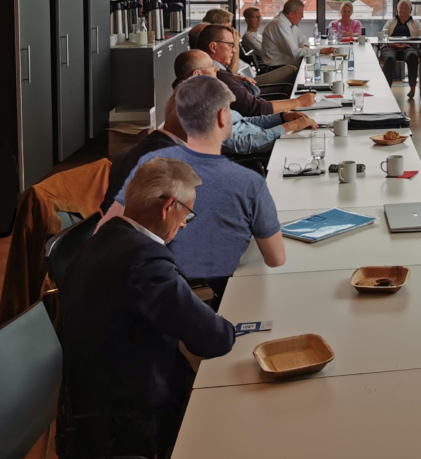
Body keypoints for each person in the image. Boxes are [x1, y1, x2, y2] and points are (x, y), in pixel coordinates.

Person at [61, 157, 235, 457]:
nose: (184, 224)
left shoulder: (106, 236)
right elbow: (214, 338)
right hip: (131, 419)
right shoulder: (143, 260)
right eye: (188, 215)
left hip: (94, 398)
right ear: (168, 207)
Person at [106, 76, 287, 283]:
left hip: (119, 270)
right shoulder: (195, 173)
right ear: (221, 117)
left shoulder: (127, 155)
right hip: (172, 277)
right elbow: (275, 258)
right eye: (230, 112)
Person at [166, 55, 318, 155]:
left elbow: (243, 121)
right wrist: (288, 128)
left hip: (272, 138)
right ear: (197, 74)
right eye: (211, 66)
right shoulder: (195, 108)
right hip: (262, 154)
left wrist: (282, 117)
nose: (217, 69)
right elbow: (243, 145)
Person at [191, 33, 309, 115]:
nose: (234, 50)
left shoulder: (220, 73)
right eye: (230, 45)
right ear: (213, 46)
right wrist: (297, 103)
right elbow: (254, 109)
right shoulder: (220, 76)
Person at [261, 0, 335, 68]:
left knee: (318, 65)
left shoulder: (289, 23)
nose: (302, 17)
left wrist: (304, 47)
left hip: (287, 64)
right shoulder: (280, 24)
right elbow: (294, 53)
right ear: (291, 14)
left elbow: (304, 40)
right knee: (315, 68)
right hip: (277, 67)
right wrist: (321, 51)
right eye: (301, 14)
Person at [380, 0, 421, 98]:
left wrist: (408, 43)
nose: (402, 10)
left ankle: (412, 88)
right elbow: (383, 34)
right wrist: (393, 44)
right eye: (400, 8)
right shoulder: (392, 21)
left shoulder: (415, 22)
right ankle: (387, 88)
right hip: (391, 47)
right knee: (389, 58)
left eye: (405, 8)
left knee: (413, 56)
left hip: (408, 47)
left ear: (410, 10)